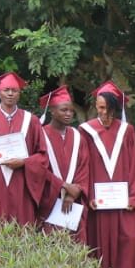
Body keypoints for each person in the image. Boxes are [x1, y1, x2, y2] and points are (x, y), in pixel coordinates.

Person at [80, 82, 135, 268]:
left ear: (116, 108)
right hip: (98, 199)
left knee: (128, 236)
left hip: (122, 197)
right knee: (97, 238)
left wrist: (133, 196)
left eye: (107, 108)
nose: (103, 112)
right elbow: (82, 165)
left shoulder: (126, 130)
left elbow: (134, 165)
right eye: (100, 107)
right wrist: (88, 194)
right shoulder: (86, 130)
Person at [0, 72, 48, 227]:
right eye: (6, 90)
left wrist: (24, 162)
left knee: (23, 228)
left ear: (19, 93)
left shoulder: (32, 121)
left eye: (14, 90)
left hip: (23, 187)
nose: (10, 93)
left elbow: (42, 156)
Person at [39, 85, 90, 244]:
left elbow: (84, 167)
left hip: (73, 201)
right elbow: (39, 167)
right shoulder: (41, 135)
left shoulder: (77, 136)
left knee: (75, 243)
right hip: (49, 199)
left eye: (71, 110)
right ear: (52, 111)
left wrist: (76, 190)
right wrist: (63, 186)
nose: (68, 114)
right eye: (63, 110)